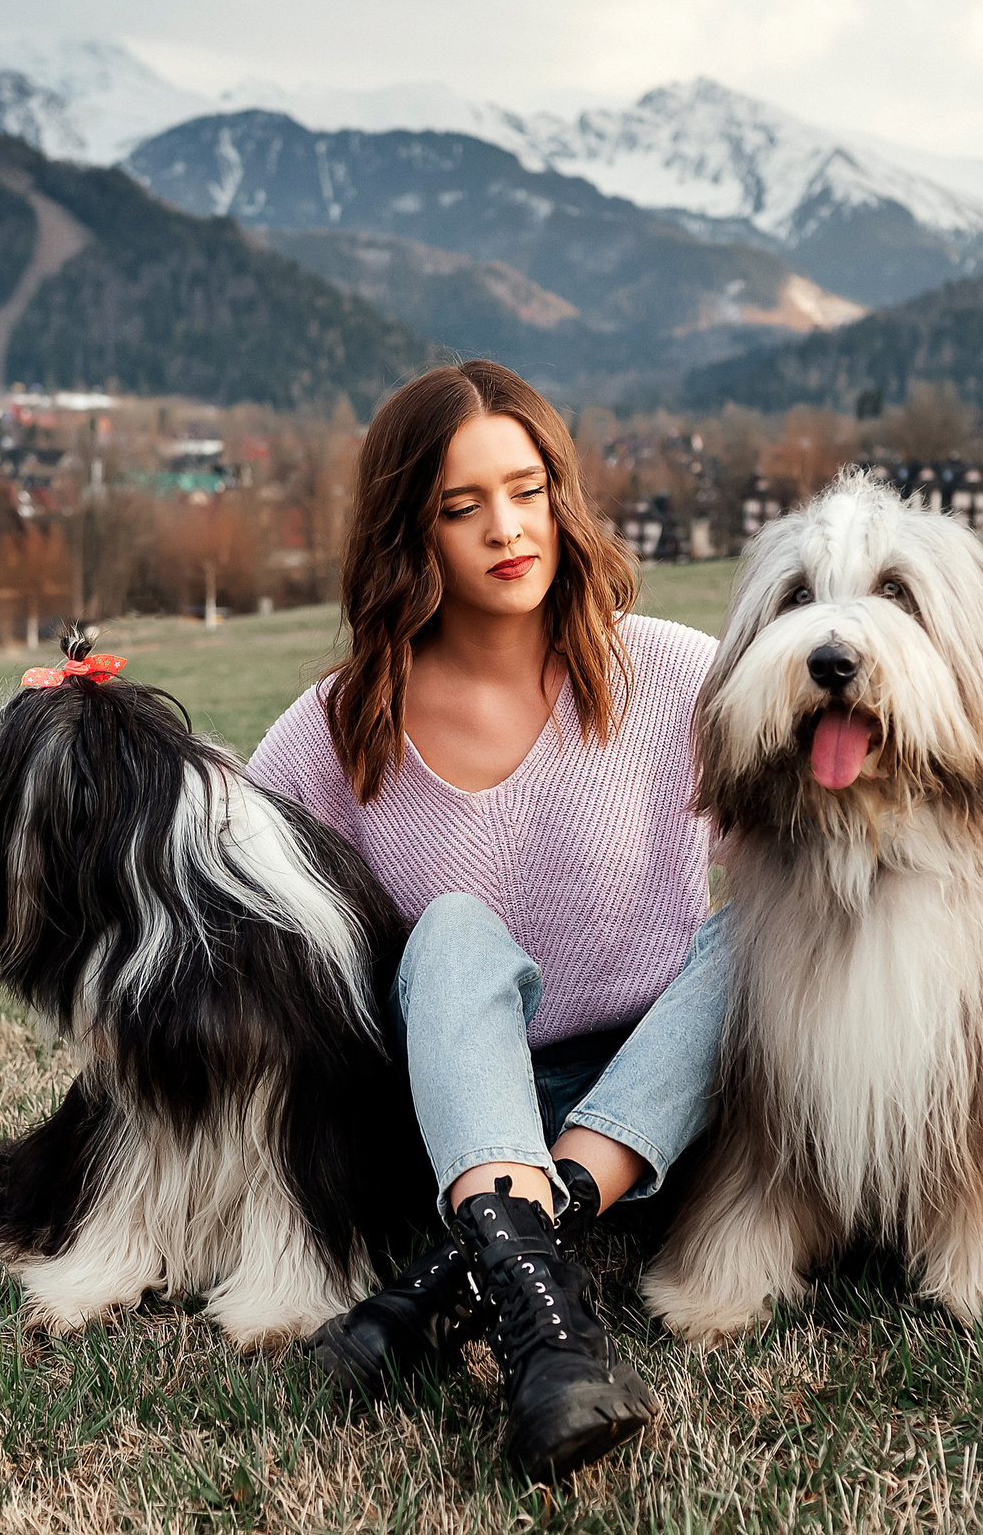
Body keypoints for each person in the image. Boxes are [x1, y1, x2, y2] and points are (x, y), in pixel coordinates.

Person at [246, 360, 730, 1479]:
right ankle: (541, 1318)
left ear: (561, 495)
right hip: (457, 1113)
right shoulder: (336, 728)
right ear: (408, 533)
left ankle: (478, 1276)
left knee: (765, 937)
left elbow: (806, 858)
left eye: (527, 490)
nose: (507, 529)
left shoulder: (675, 673)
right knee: (452, 928)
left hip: (658, 1100)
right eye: (461, 507)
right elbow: (229, 898)